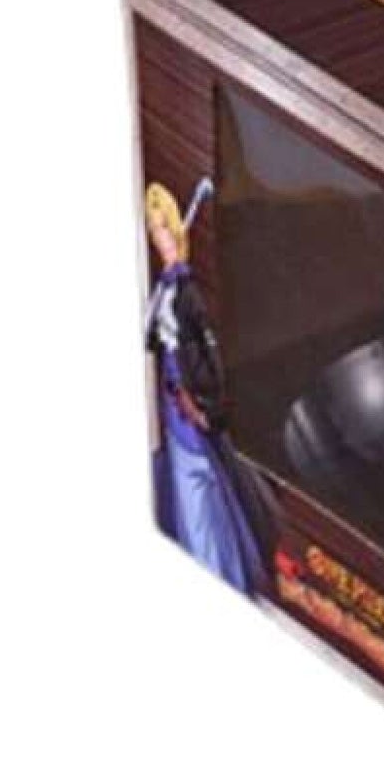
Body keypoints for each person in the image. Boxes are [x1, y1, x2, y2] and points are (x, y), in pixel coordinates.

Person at [142, 180, 273, 595]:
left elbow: (208, 350)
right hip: (172, 401)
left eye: (165, 229)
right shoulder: (166, 288)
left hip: (191, 403)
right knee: (186, 489)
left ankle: (220, 574)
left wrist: (207, 408)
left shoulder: (187, 294)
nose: (161, 238)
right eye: (155, 231)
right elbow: (151, 339)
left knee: (202, 489)